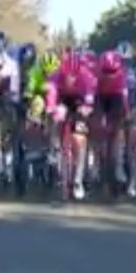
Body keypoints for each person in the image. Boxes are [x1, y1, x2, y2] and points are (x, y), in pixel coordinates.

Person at [45, 50, 97, 200]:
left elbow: (89, 95)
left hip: (79, 102)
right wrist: (51, 107)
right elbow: (52, 93)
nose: (70, 78)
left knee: (79, 140)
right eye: (67, 75)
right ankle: (54, 146)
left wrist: (87, 107)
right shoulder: (56, 75)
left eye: (73, 75)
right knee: (55, 117)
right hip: (63, 100)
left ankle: (77, 181)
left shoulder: (86, 76)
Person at [95, 49, 131, 190]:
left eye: (112, 72)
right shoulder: (96, 75)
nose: (109, 75)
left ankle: (119, 166)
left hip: (116, 100)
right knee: (97, 130)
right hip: (101, 98)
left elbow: (124, 98)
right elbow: (93, 97)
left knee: (119, 133)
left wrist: (126, 114)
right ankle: (96, 165)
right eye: (106, 72)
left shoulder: (122, 76)